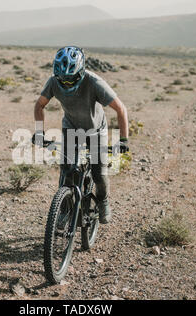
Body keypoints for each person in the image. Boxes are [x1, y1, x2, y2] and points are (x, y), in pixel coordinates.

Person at [32, 46, 129, 224]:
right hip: (71, 128)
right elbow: (39, 105)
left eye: (71, 80)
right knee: (67, 171)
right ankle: (64, 208)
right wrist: (39, 132)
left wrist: (123, 140)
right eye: (63, 81)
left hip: (96, 130)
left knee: (99, 173)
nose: (67, 83)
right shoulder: (53, 82)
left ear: (81, 71)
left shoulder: (94, 82)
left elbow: (121, 109)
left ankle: (104, 201)